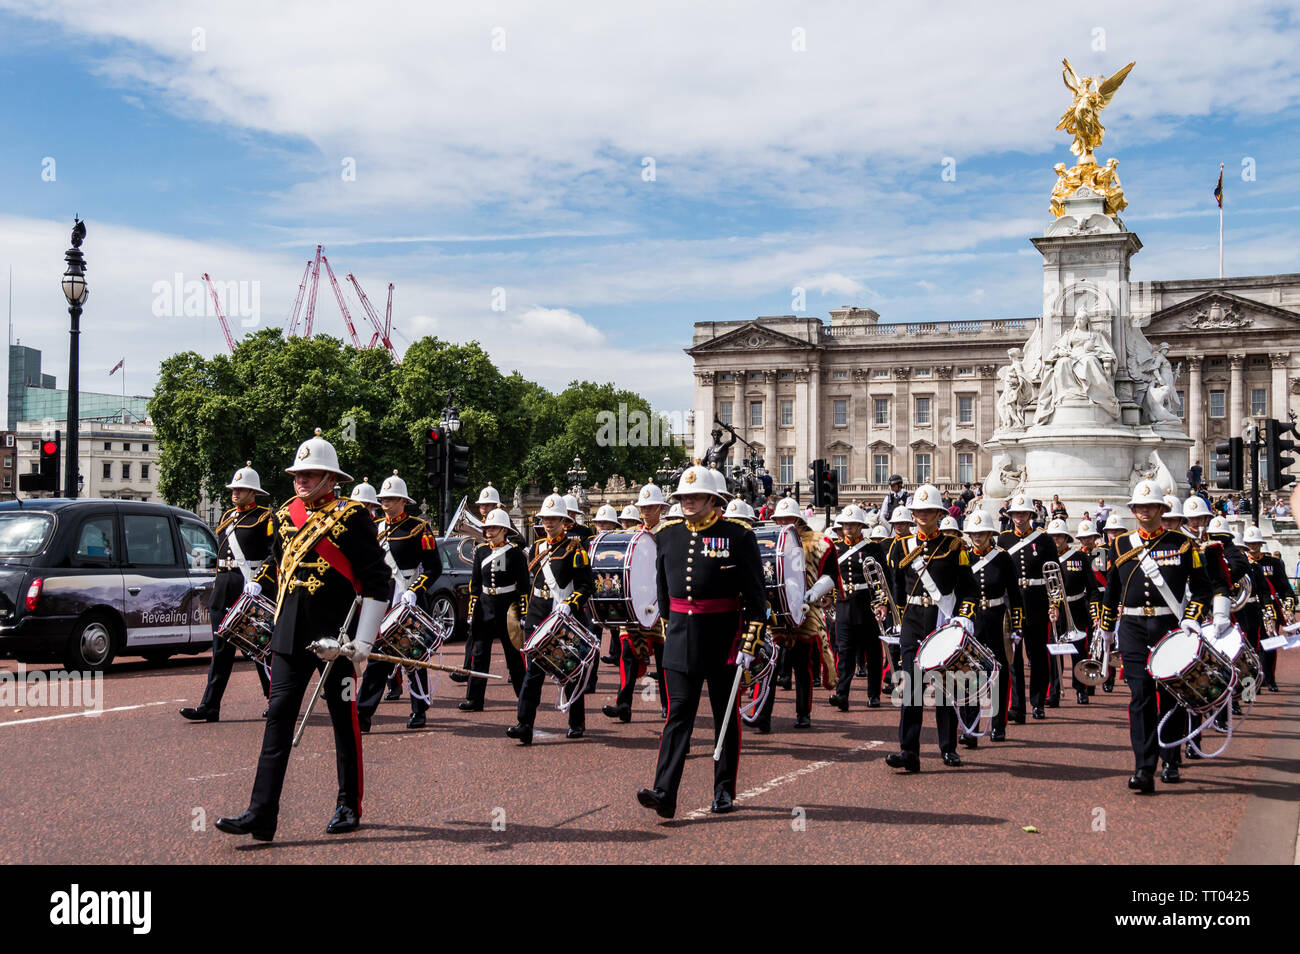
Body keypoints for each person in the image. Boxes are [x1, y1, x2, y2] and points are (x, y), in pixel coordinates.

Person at [216, 429, 389, 841]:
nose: (302, 480)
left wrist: (362, 643)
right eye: (299, 474)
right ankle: (261, 814)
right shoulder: (284, 516)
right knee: (277, 722)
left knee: (343, 724)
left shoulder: (353, 518)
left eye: (312, 474)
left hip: (337, 641)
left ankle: (348, 804)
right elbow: (278, 573)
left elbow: (378, 581)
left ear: (333, 479)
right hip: (290, 638)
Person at [636, 465, 767, 819]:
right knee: (678, 716)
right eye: (683, 497)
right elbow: (663, 590)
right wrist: (667, 627)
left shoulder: (737, 535)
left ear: (713, 499)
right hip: (680, 637)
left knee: (725, 716)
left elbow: (757, 599)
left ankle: (723, 790)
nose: (687, 502)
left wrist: (749, 643)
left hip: (724, 640)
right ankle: (665, 791)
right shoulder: (668, 534)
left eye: (694, 496)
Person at [1096, 480, 1212, 793]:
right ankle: (1144, 767)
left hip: (1169, 627)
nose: (1145, 512)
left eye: (1151, 507)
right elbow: (1112, 591)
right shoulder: (1120, 545)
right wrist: (1106, 628)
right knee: (1140, 696)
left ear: (1162, 510)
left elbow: (1203, 589)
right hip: (1133, 628)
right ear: (1133, 511)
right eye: (1140, 508)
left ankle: (1170, 757)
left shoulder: (1184, 543)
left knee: (1171, 693)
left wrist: (1192, 619)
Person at [881, 483, 978, 771]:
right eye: (918, 511)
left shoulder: (954, 547)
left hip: (942, 623)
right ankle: (908, 751)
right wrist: (898, 620)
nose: (922, 515)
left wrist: (963, 617)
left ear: (939, 513)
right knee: (911, 690)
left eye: (928, 511)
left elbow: (969, 590)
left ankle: (948, 748)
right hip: (913, 626)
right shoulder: (901, 546)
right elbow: (897, 589)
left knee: (946, 689)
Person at [181, 462, 274, 723]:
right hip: (224, 588)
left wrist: (260, 580)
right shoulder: (227, 517)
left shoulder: (265, 518)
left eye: (241, 489)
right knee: (220, 650)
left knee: (260, 649)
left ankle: (275, 700)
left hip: (249, 588)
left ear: (253, 492)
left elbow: (275, 554)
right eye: (234, 488)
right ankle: (210, 706)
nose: (235, 492)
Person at [353, 472, 441, 731]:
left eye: (392, 499)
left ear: (403, 501)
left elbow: (433, 568)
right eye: (383, 499)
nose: (386, 503)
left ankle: (419, 708)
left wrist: (416, 589)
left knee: (413, 657)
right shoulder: (376, 527)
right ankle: (363, 713)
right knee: (377, 657)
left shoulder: (418, 528)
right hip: (383, 601)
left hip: (410, 598)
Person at [508, 493, 595, 744]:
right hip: (538, 613)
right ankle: (524, 723)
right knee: (532, 672)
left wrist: (570, 604)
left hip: (563, 615)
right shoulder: (537, 547)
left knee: (570, 670)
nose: (548, 522)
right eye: (545, 518)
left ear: (564, 520)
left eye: (553, 518)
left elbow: (586, 586)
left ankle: (576, 721)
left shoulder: (575, 548)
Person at [753, 496, 840, 731]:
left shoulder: (819, 542)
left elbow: (831, 574)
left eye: (787, 519)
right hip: (773, 611)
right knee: (768, 665)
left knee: (803, 667)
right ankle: (762, 714)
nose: (782, 523)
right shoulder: (767, 540)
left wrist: (815, 591)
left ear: (799, 520)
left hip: (803, 609)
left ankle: (804, 713)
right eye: (779, 519)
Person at [959, 509, 1023, 743]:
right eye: (974, 533)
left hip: (997, 618)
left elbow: (1014, 594)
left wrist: (1016, 625)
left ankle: (999, 724)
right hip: (974, 621)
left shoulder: (1002, 557)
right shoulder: (965, 556)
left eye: (981, 533)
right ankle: (971, 728)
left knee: (998, 674)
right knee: (969, 674)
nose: (977, 537)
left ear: (989, 533)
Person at [462, 508, 529, 712]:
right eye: (487, 527)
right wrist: (472, 611)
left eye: (493, 528)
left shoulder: (515, 553)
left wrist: (523, 613)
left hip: (507, 606)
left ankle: (523, 697)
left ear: (504, 530)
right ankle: (475, 699)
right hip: (484, 606)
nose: (488, 531)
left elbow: (524, 586)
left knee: (514, 656)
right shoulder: (481, 551)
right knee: (479, 654)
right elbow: (475, 583)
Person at [1000, 493, 1053, 721]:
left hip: (1037, 602)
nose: (1019, 518)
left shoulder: (1044, 540)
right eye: (1015, 514)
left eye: (1023, 514)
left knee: (1038, 654)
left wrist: (1055, 603)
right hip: (1012, 604)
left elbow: (1053, 575)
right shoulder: (1003, 540)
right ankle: (1017, 707)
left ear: (1030, 515)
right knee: (1013, 658)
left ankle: (1038, 702)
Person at [830, 505, 885, 710]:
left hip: (867, 605)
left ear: (861, 526)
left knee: (872, 652)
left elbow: (882, 577)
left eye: (853, 524)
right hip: (844, 605)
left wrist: (882, 603)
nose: (849, 528)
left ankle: (874, 694)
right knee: (844, 652)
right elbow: (829, 577)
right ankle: (842, 694)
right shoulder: (835, 548)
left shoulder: (872, 548)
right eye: (845, 524)